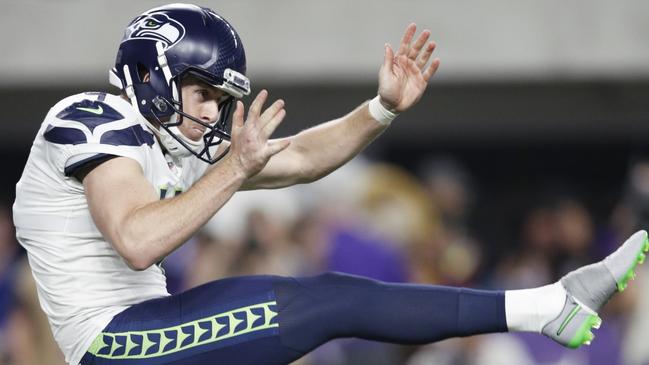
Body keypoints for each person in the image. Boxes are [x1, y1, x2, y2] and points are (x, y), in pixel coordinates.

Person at [11, 3, 648, 365]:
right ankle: (549, 307)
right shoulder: (94, 120)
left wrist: (381, 110)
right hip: (112, 341)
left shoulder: (170, 143)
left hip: (144, 326)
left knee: (328, 299)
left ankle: (548, 305)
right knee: (326, 302)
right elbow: (134, 239)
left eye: (216, 98)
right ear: (152, 76)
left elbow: (303, 157)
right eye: (201, 92)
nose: (210, 112)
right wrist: (235, 167)